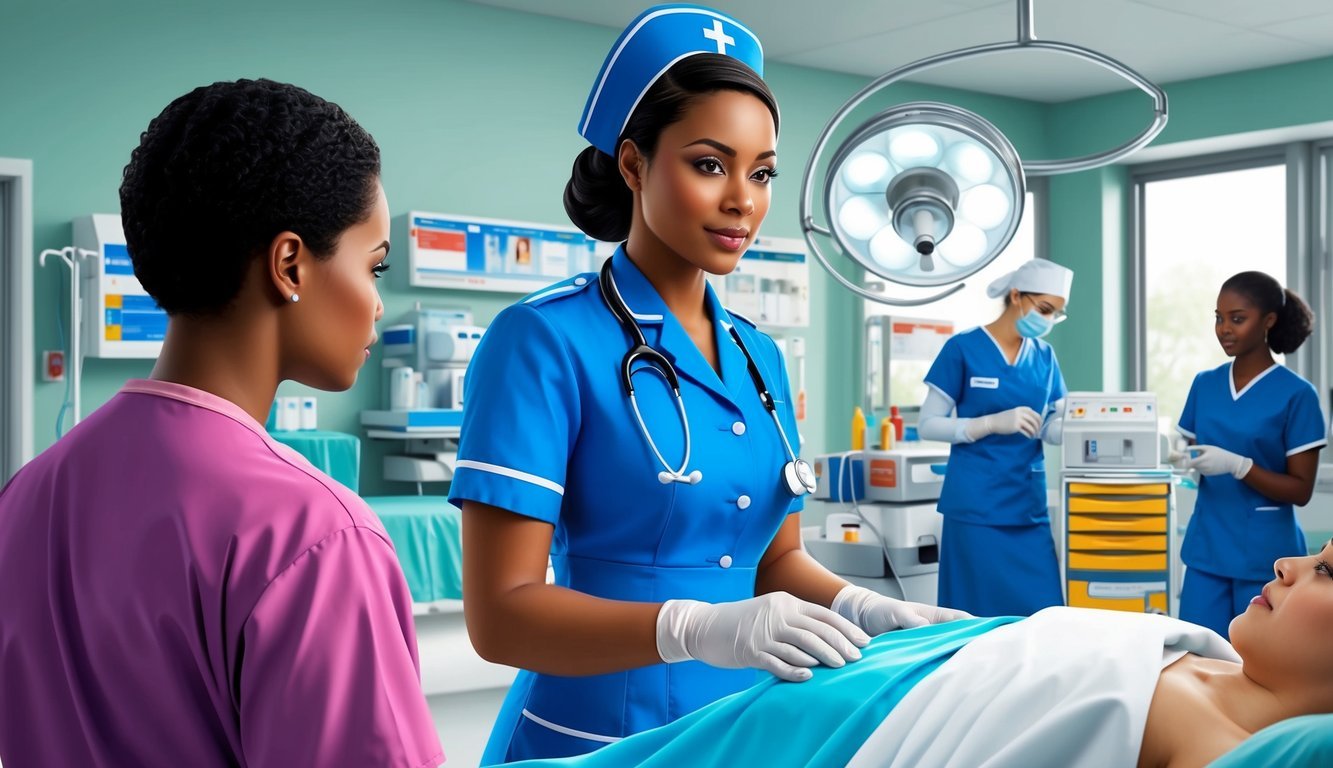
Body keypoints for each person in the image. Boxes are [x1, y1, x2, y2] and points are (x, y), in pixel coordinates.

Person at [448, 4, 966, 763]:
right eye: (708, 164)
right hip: (598, 734)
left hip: (745, 723)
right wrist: (692, 628)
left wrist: (866, 606)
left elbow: (773, 562)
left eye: (760, 173)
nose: (742, 201)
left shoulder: (758, 355)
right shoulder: (543, 341)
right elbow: (501, 617)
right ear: (632, 164)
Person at [0, 79, 443, 768]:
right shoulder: (316, 538)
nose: (378, 306)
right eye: (374, 266)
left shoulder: (27, 495)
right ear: (290, 263)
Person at [494, 542, 1333, 768]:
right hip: (859, 675)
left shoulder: (1226, 746)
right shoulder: (1210, 659)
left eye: (1325, 570)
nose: (1286, 564)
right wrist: (862, 605)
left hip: (843, 728)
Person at [917, 259, 1073, 617]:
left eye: (1056, 314)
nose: (1047, 321)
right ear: (1016, 296)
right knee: (973, 615)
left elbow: (1050, 426)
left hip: (1026, 509)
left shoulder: (1045, 357)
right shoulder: (963, 348)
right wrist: (985, 424)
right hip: (975, 509)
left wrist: (1080, 429)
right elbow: (929, 424)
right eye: (1045, 309)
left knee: (1043, 613)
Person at [1175, 271, 1326, 639]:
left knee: (1255, 662)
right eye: (1219, 318)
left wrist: (1239, 466)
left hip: (1264, 556)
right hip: (1206, 550)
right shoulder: (1205, 384)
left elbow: (1300, 490)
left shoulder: (1297, 395)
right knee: (1193, 656)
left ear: (1268, 321)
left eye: (1237, 319)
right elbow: (1189, 448)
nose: (1224, 328)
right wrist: (1180, 457)